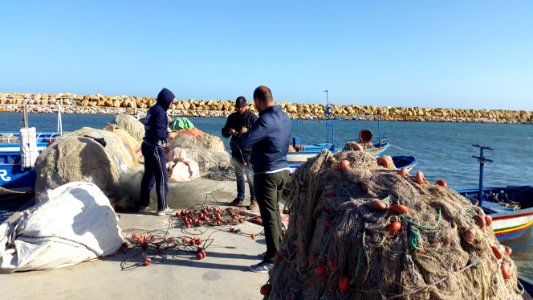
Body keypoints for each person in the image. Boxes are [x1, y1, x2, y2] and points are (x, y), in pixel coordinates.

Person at [239, 86, 291, 273]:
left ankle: (271, 259)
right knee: (275, 213)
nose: (256, 107)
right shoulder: (285, 117)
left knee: (269, 216)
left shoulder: (264, 120)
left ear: (259, 102)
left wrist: (244, 133)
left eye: (256, 104)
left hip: (267, 173)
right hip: (283, 170)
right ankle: (279, 251)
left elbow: (245, 143)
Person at [139, 88, 177, 216]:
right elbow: (158, 132)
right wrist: (170, 134)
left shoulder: (153, 109)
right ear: (166, 101)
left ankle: (143, 204)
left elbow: (151, 128)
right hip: (155, 148)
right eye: (171, 102)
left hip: (148, 145)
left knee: (149, 176)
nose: (172, 104)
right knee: (162, 176)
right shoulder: (160, 112)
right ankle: (162, 207)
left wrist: (164, 144)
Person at [221, 96, 259, 209]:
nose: (239, 109)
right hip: (236, 150)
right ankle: (240, 197)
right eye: (237, 107)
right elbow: (224, 132)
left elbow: (260, 132)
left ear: (246, 106)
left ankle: (254, 200)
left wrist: (248, 130)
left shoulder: (252, 117)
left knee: (250, 175)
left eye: (241, 107)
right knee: (238, 175)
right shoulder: (232, 117)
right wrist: (229, 131)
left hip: (249, 152)